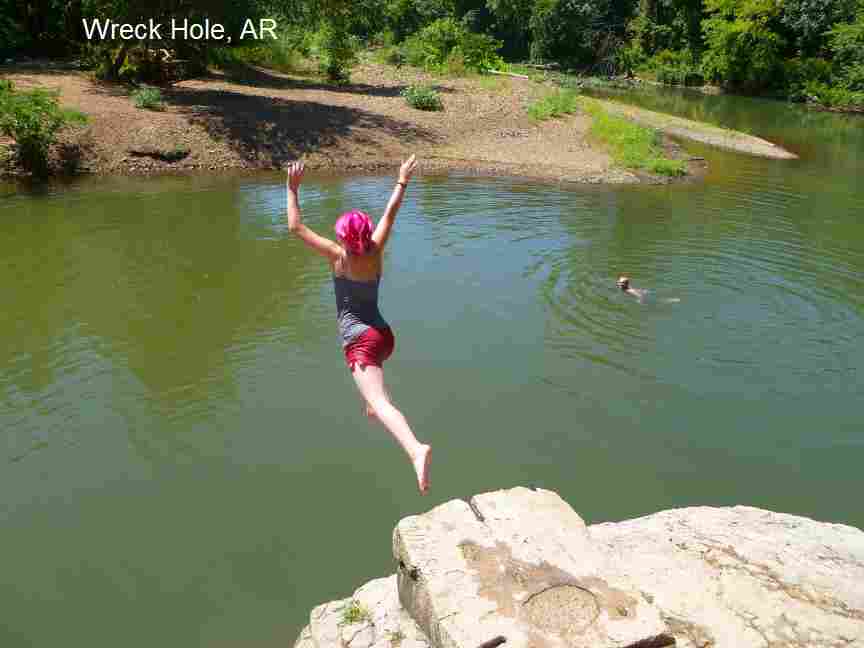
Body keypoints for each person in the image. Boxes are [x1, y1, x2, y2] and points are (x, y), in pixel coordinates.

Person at [285, 155, 432, 494]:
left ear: (343, 238)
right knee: (373, 398)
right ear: (365, 234)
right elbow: (390, 212)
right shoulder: (376, 249)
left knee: (381, 404)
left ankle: (414, 449)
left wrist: (292, 189)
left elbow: (295, 227)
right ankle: (373, 401)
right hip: (382, 334)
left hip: (361, 341)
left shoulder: (339, 257)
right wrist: (401, 180)